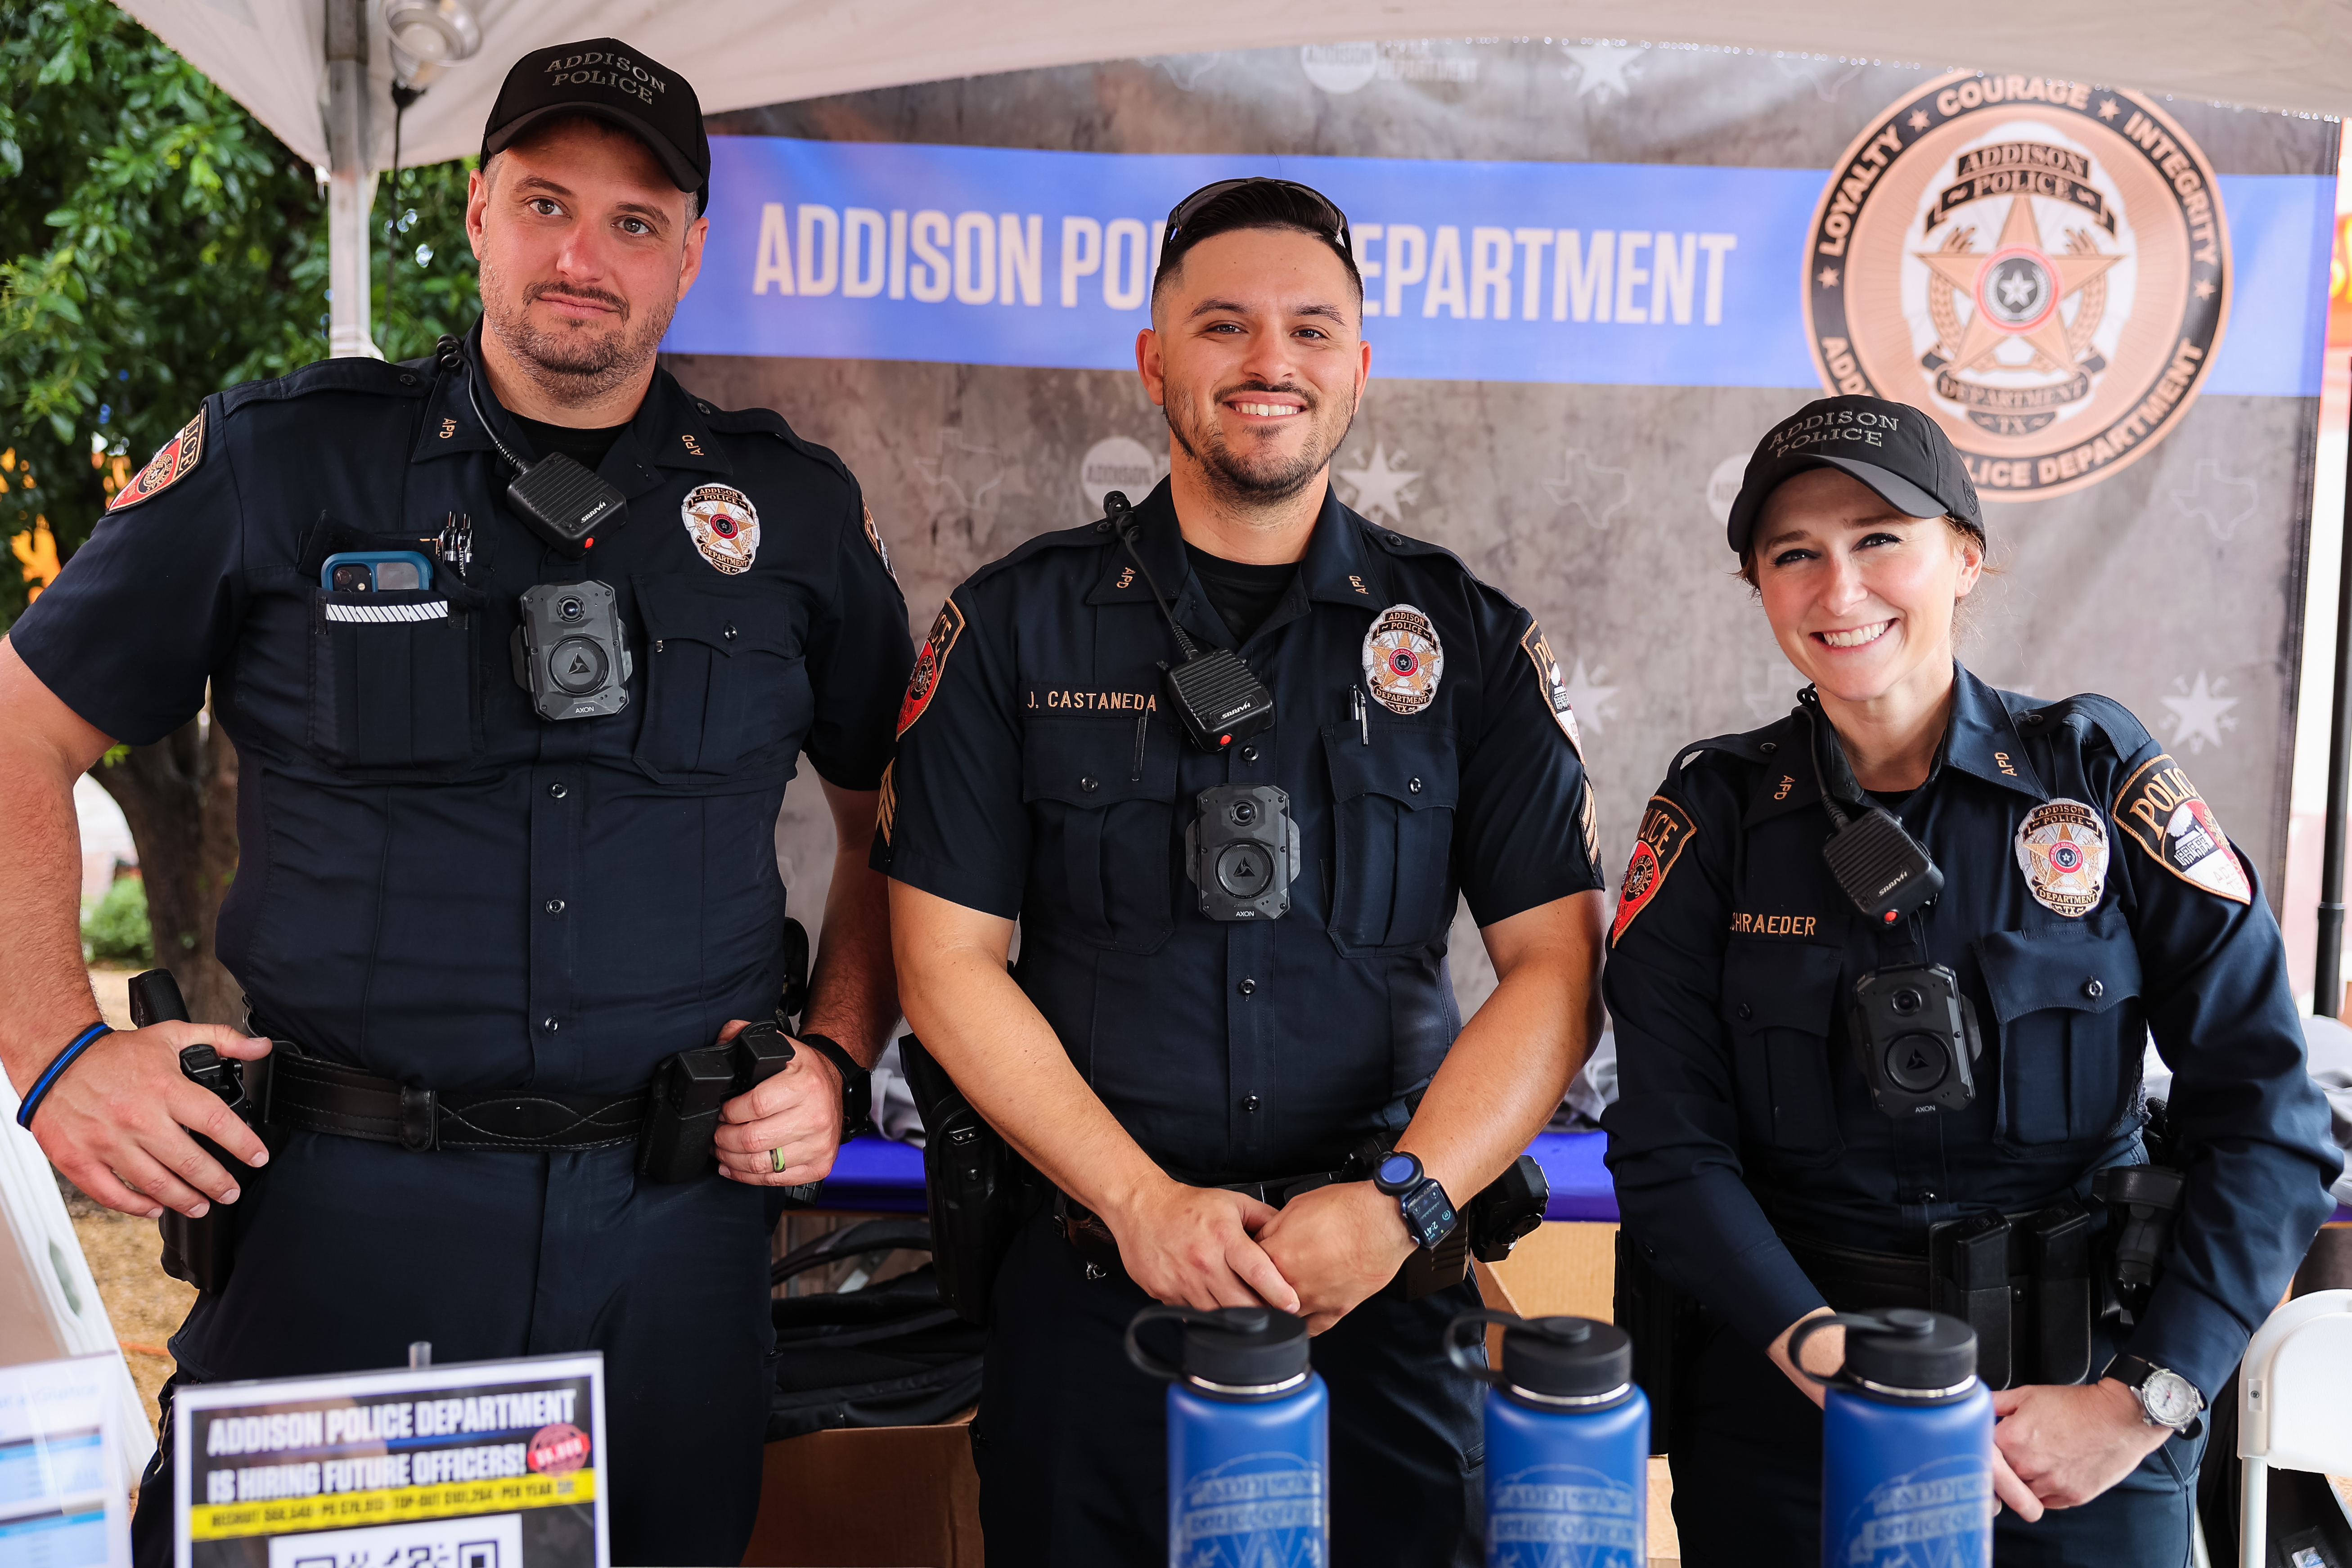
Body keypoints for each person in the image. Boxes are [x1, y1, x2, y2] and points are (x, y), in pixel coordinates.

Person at [0, 39, 912, 1564]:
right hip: (344, 1218)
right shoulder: (285, 466)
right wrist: (54, 1056)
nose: (582, 254)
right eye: (547, 201)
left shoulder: (788, 513)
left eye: (634, 220)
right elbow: (19, 735)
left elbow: (894, 809)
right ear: (477, 213)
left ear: (692, 252)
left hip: (673, 1237)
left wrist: (837, 1048)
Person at [874, 176, 1609, 1566]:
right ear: (1154, 361)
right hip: (1099, 1284)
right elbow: (944, 960)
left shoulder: (1466, 643)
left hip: (1382, 1296)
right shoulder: (1012, 626)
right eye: (1223, 326)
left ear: (1356, 369)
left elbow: (1556, 972)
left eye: (1310, 330)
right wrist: (1136, 1203)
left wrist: (1402, 1208)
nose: (1269, 362)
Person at [1600, 395, 2343, 1565]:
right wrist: (1828, 1361)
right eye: (1794, 555)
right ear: (1758, 588)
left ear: (1963, 556)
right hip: (1794, 1407)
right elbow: (1664, 1147)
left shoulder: (2095, 782)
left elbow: (2272, 1117)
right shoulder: (1713, 817)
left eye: (1878, 539)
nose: (1838, 589)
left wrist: (2141, 1400)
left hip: (2081, 1413)